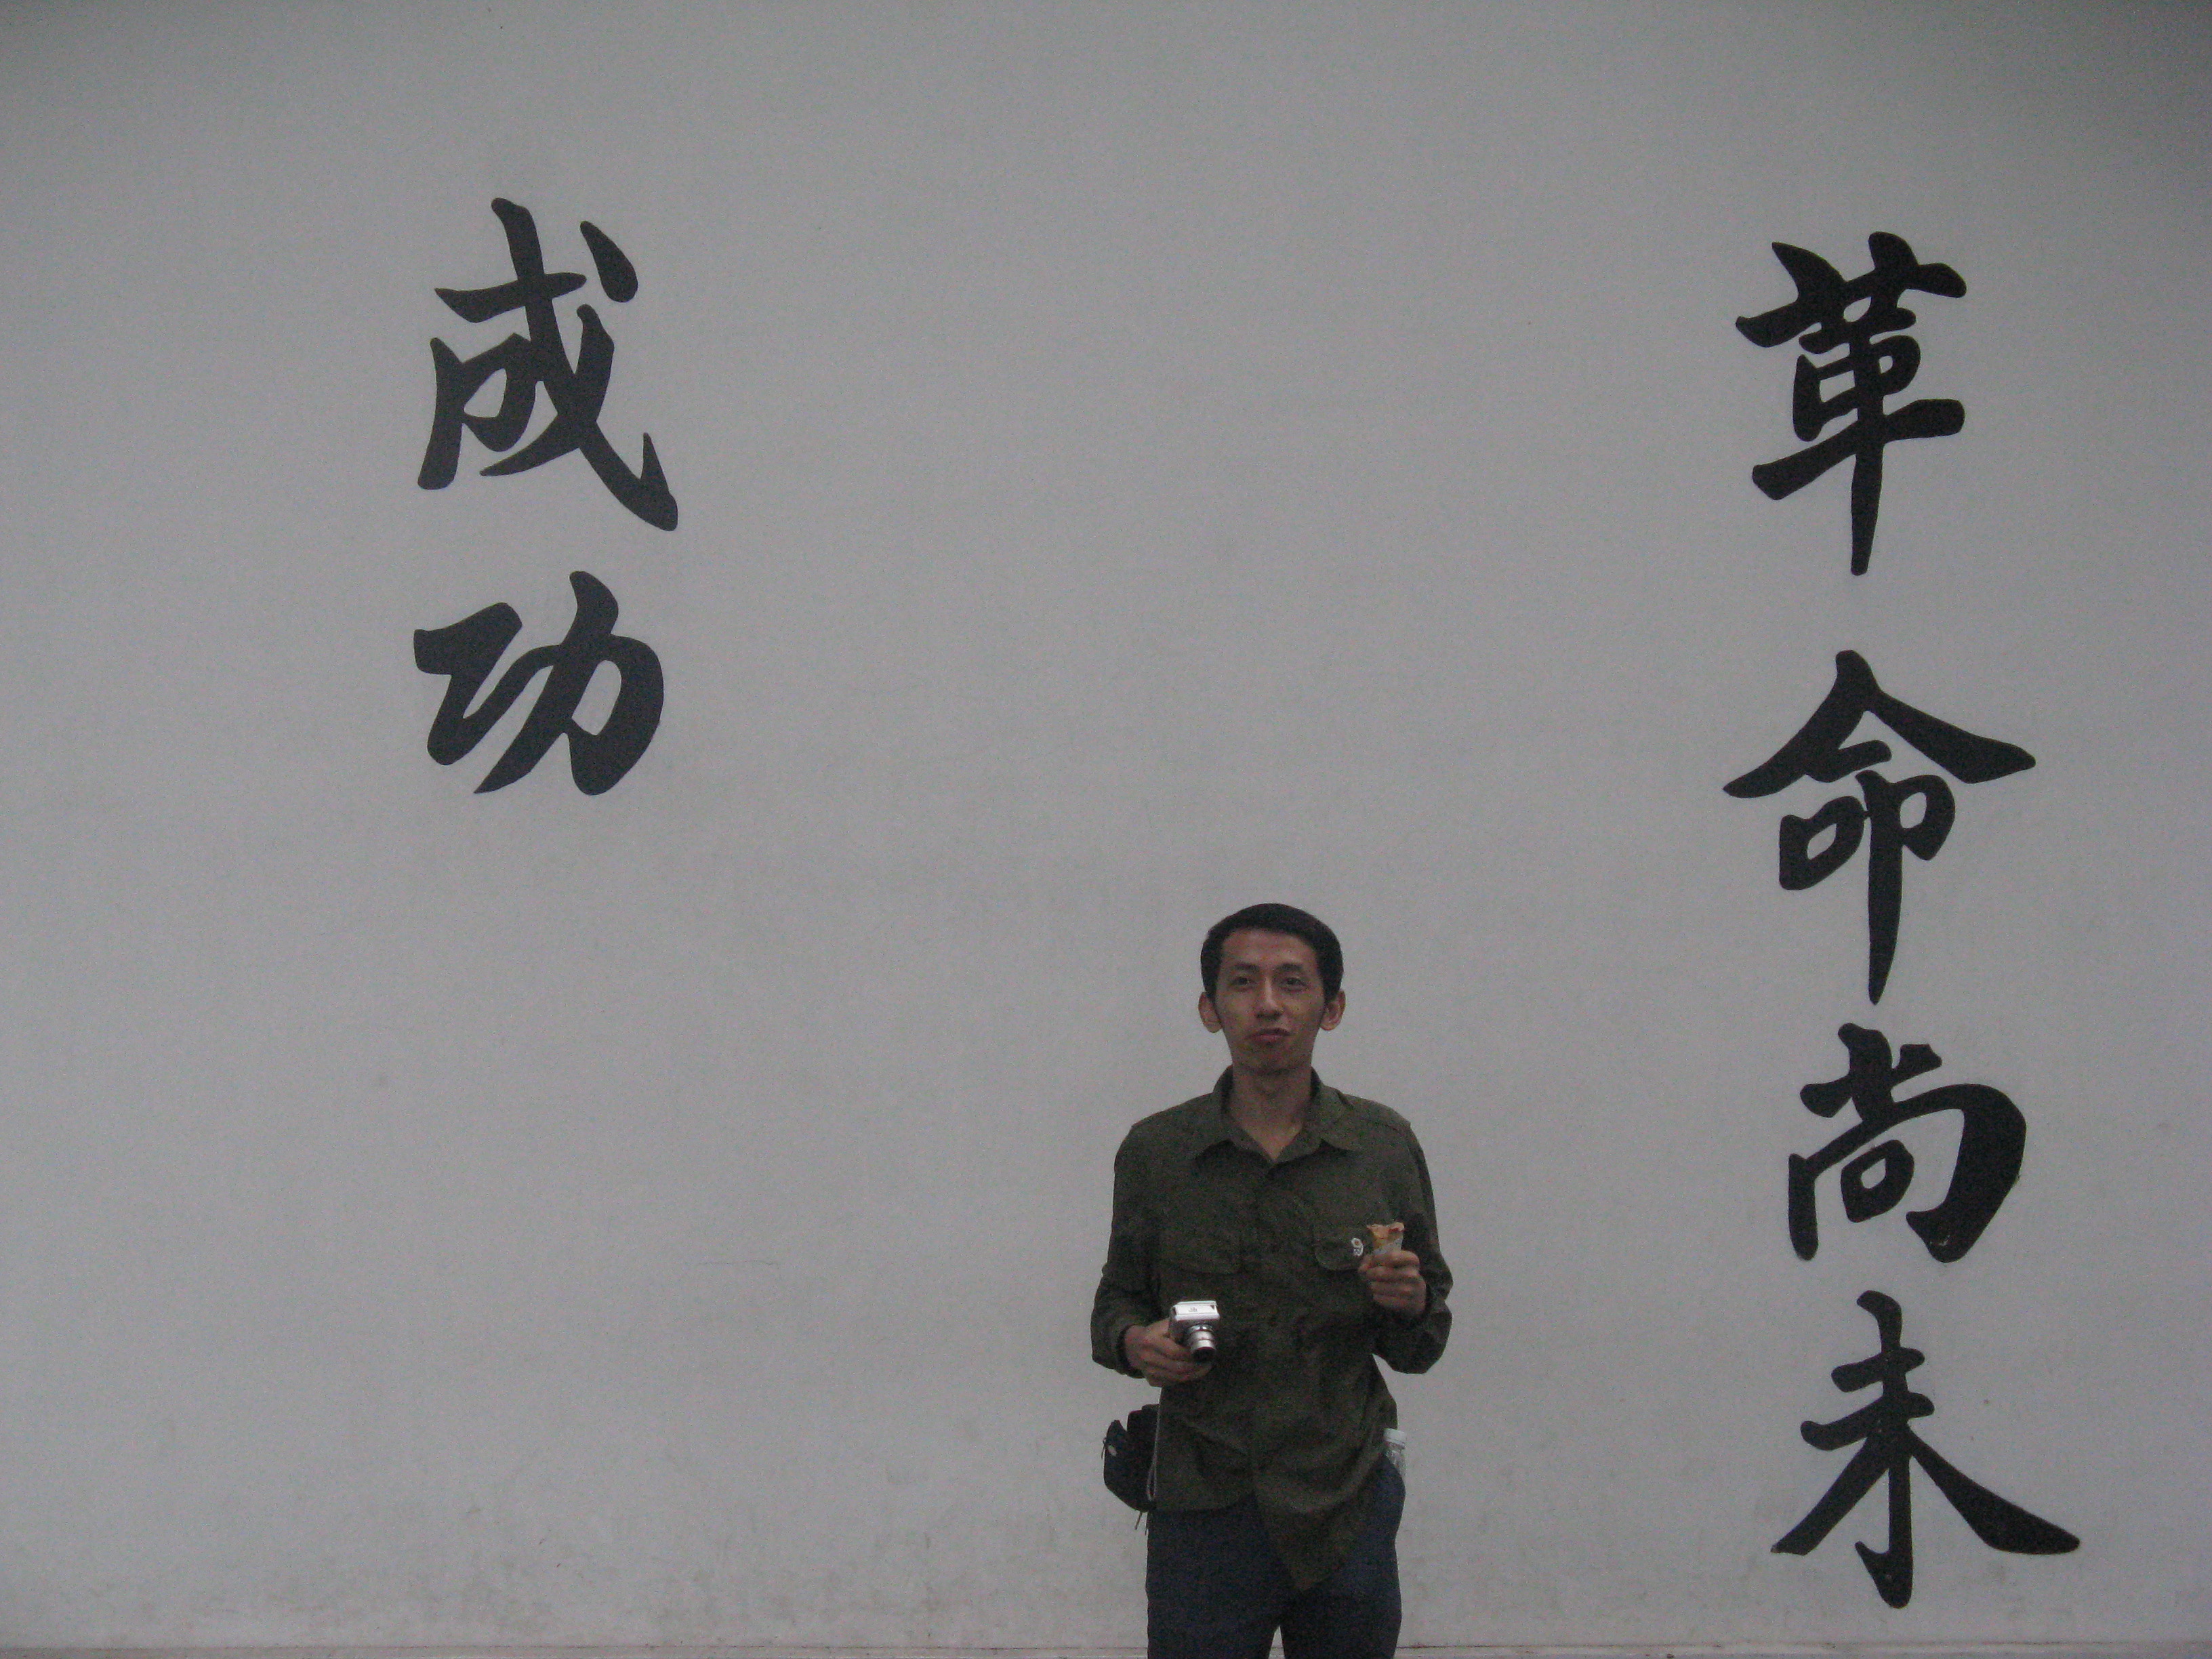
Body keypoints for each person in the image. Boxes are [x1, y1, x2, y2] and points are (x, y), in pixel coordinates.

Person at [1092, 903, 1452, 1659]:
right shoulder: (1158, 1153)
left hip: (1344, 1499)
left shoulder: (1381, 1149)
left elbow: (1422, 1343)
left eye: (1292, 983)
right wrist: (1135, 1341)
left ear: (1332, 1008)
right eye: (1243, 983)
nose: (1268, 1005)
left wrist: (1412, 1303)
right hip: (1204, 1500)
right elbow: (1115, 1304)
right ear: (1208, 1008)